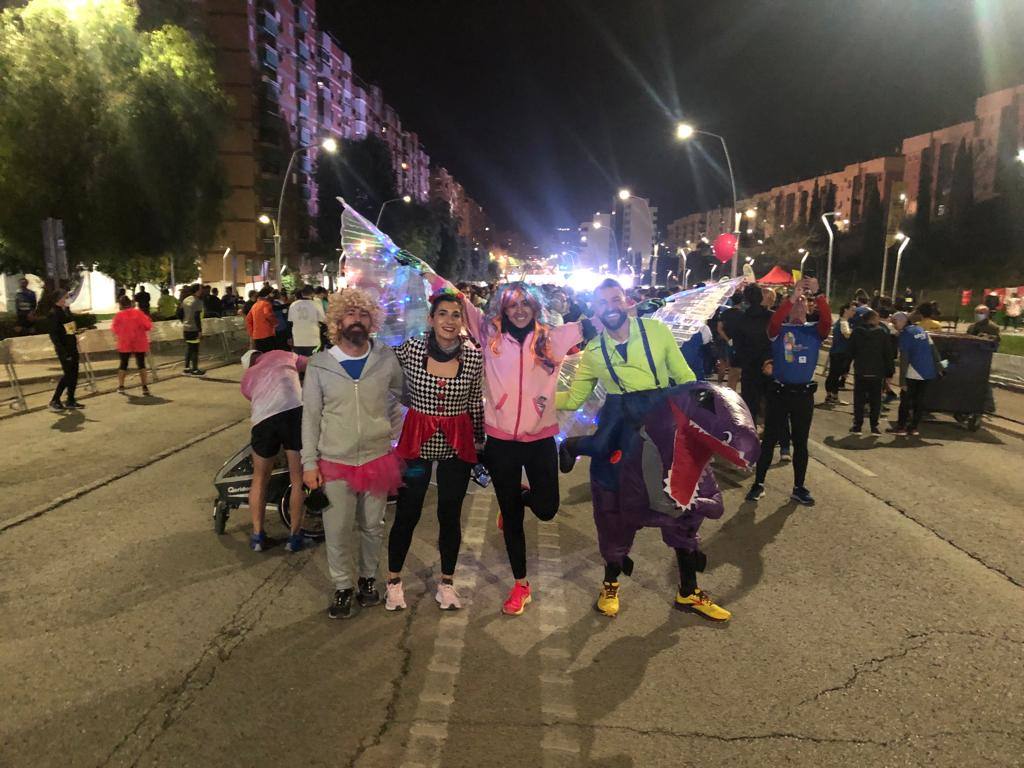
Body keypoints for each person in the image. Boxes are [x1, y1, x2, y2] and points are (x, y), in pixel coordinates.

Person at [557, 279, 719, 619]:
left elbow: (684, 375)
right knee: (614, 507)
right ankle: (610, 583)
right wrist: (539, 398)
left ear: (627, 302)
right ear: (595, 310)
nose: (610, 307)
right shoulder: (594, 353)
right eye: (602, 303)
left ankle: (688, 591)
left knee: (682, 503)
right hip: (622, 429)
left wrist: (699, 411)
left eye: (615, 299)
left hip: (663, 425)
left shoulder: (657, 333)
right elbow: (574, 398)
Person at [452, 279, 590, 616]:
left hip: (540, 438)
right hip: (500, 442)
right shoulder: (488, 334)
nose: (519, 310)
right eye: (512, 304)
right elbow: (460, 301)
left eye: (525, 304)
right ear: (503, 307)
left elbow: (594, 322)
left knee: (546, 509)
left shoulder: (552, 338)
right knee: (512, 516)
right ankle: (521, 584)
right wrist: (426, 273)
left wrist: (637, 309)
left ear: (535, 306)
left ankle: (523, 496)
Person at [301, 288, 404, 620]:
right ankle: (343, 586)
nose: (357, 321)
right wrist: (308, 462)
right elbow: (311, 417)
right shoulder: (320, 364)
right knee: (337, 529)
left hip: (377, 457)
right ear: (337, 321)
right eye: (350, 315)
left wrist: (392, 432)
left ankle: (368, 580)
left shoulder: (386, 359)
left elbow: (402, 397)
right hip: (334, 460)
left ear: (372, 321)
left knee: (373, 527)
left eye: (363, 315)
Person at [385, 290, 485, 612]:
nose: (449, 321)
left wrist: (480, 444)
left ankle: (447, 583)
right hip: (417, 443)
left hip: (457, 445)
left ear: (462, 321)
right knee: (408, 511)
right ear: (431, 319)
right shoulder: (411, 349)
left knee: (450, 514)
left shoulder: (473, 356)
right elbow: (380, 372)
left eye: (456, 315)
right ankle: (394, 582)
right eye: (442, 314)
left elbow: (473, 404)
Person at [745, 278, 831, 506]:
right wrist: (793, 296)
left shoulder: (814, 332)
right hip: (780, 394)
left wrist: (818, 294)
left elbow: (827, 322)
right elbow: (773, 323)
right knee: (770, 439)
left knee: (800, 443)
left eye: (804, 302)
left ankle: (799, 487)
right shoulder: (779, 331)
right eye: (795, 303)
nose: (800, 305)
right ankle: (759, 483)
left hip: (803, 395)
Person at [240, 348, 308, 552]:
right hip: (293, 413)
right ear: (260, 354)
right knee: (298, 479)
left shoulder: (247, 379)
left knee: (260, 477)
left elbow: (254, 399)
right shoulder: (282, 354)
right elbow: (312, 364)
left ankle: (258, 536)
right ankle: (294, 537)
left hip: (263, 421)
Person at [887, 312, 942, 436]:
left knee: (905, 400)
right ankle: (914, 428)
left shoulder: (905, 335)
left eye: (895, 323)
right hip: (928, 372)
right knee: (919, 400)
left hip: (913, 371)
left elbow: (904, 360)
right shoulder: (921, 330)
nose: (894, 326)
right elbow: (934, 351)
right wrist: (942, 367)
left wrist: (902, 381)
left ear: (901, 321)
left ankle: (901, 427)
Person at [847, 309, 894, 434]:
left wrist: (845, 368)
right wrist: (890, 372)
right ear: (873, 319)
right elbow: (888, 354)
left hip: (861, 370)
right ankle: (874, 426)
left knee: (859, 399)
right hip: (877, 371)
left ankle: (857, 425)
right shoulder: (882, 333)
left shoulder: (857, 332)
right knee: (876, 400)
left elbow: (850, 351)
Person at [46, 290, 85, 411]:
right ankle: (55, 400)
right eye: (66, 297)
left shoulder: (66, 311)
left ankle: (71, 399)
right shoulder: (54, 313)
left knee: (74, 374)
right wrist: (63, 351)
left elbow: (69, 328)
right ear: (59, 299)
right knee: (68, 375)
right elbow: (54, 335)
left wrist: (76, 332)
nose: (68, 299)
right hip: (64, 349)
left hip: (72, 346)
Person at [111, 294, 153, 395]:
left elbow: (114, 329)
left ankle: (121, 386)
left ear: (120, 305)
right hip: (139, 341)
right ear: (130, 303)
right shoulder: (138, 313)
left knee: (123, 364)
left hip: (125, 342)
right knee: (141, 364)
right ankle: (144, 387)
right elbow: (148, 326)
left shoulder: (118, 316)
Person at [824, 303, 854, 405]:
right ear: (846, 310)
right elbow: (847, 335)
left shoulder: (840, 322)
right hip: (840, 352)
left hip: (836, 351)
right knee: (835, 375)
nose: (853, 312)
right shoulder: (844, 323)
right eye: (852, 310)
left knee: (833, 374)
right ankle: (833, 396)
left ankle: (830, 396)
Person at [287, 285, 327, 356]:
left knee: (300, 363)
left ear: (302, 293)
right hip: (313, 339)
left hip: (297, 340)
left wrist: (290, 337)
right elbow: (324, 320)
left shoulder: (293, 305)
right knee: (313, 362)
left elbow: (290, 322)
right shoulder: (316, 304)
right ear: (313, 293)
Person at [180, 284, 206, 376]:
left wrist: (184, 321)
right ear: (197, 290)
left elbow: (179, 313)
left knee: (189, 348)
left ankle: (186, 368)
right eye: (200, 289)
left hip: (186, 328)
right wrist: (200, 330)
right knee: (195, 349)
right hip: (193, 328)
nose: (201, 291)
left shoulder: (186, 300)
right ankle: (195, 369)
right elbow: (197, 316)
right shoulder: (198, 302)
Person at [246, 286, 277, 352]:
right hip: (267, 334)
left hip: (257, 336)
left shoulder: (254, 305)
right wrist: (275, 323)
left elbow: (248, 319)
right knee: (270, 355)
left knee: (262, 356)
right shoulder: (266, 304)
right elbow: (267, 314)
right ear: (268, 294)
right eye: (272, 293)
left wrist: (252, 333)